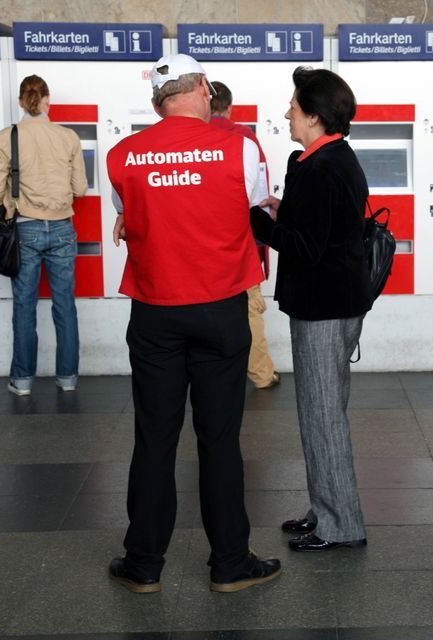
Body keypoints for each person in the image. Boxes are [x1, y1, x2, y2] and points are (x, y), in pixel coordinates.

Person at [106, 54, 281, 593]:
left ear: (156, 100)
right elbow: (259, 211)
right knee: (220, 439)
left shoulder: (121, 156)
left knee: (155, 438)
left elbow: (130, 216)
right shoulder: (242, 147)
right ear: (203, 88)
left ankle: (143, 564)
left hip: (155, 311)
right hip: (222, 308)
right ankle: (229, 562)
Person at [250, 67, 373, 552]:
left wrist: (256, 222)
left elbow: (306, 248)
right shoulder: (327, 158)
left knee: (323, 417)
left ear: (316, 117)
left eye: (295, 108)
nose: (287, 114)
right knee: (324, 411)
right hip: (335, 301)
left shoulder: (323, 168)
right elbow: (323, 226)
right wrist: (284, 207)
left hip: (324, 308)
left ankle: (340, 524)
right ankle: (325, 508)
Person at [0, 75, 87, 396]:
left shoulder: (6, 138)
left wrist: (10, 203)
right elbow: (80, 189)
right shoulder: (68, 137)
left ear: (20, 102)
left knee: (24, 305)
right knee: (64, 306)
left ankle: (23, 381)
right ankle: (68, 378)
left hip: (25, 228)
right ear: (47, 101)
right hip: (62, 228)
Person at [208, 80, 280, 390]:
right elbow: (259, 192)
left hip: (203, 240)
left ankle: (214, 374)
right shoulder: (243, 137)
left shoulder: (192, 137)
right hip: (242, 239)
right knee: (249, 308)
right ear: (229, 108)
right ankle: (262, 375)